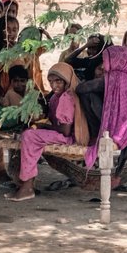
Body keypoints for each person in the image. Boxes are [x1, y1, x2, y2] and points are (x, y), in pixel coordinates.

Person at [8, 63, 90, 201]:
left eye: (58, 81)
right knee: (29, 134)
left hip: (68, 137)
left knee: (29, 136)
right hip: (62, 134)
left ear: (67, 80)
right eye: (51, 81)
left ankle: (27, 186)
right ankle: (26, 184)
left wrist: (42, 127)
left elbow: (64, 130)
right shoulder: (56, 97)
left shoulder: (66, 98)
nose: (54, 85)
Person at [77, 45, 127, 169]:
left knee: (88, 95)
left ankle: (95, 134)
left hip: (119, 131)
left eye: (106, 60)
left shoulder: (114, 77)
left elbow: (81, 88)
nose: (104, 65)